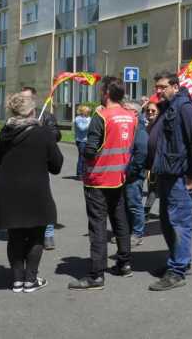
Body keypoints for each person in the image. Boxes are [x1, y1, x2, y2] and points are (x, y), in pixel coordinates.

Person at [68, 77, 136, 291]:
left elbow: (91, 149)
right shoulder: (130, 116)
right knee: (120, 221)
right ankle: (124, 263)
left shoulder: (101, 115)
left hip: (99, 178)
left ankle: (96, 275)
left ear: (106, 92)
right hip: (120, 177)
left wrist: (85, 154)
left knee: (97, 226)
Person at [0, 93, 63, 293]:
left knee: (15, 234)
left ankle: (17, 280)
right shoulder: (43, 133)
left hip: (7, 188)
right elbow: (56, 165)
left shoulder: (3, 133)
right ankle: (30, 279)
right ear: (32, 111)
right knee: (36, 235)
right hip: (35, 188)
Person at [147, 72, 192, 291]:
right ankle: (179, 261)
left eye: (162, 87)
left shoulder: (185, 107)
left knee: (179, 222)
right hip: (165, 175)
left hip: (180, 176)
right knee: (166, 222)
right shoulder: (168, 106)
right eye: (157, 87)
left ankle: (178, 270)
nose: (158, 91)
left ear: (175, 86)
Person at [20, 86, 61, 250]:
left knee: (44, 200)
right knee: (22, 201)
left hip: (41, 165)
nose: (25, 101)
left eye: (27, 98)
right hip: (21, 165)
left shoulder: (46, 115)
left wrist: (42, 131)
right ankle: (24, 231)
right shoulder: (17, 116)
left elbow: (56, 134)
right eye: (22, 98)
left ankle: (48, 233)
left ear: (34, 99)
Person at [123, 102, 148, 246]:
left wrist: (131, 171)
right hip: (125, 173)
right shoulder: (128, 127)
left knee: (134, 204)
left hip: (134, 174)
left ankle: (137, 234)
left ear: (135, 113)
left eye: (126, 110)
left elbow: (142, 152)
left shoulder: (139, 129)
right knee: (125, 204)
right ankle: (127, 232)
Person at [143, 102, 160, 217]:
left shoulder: (159, 127)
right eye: (148, 110)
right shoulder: (147, 126)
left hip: (156, 164)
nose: (150, 112)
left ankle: (146, 212)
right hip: (146, 163)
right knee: (151, 189)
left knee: (153, 189)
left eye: (153, 111)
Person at [74, 105, 92, 180]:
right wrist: (91, 123)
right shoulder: (78, 119)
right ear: (83, 112)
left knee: (87, 157)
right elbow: (82, 128)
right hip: (81, 141)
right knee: (82, 157)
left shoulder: (89, 118)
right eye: (87, 111)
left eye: (89, 112)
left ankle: (85, 173)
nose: (88, 113)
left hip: (88, 140)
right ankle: (79, 174)